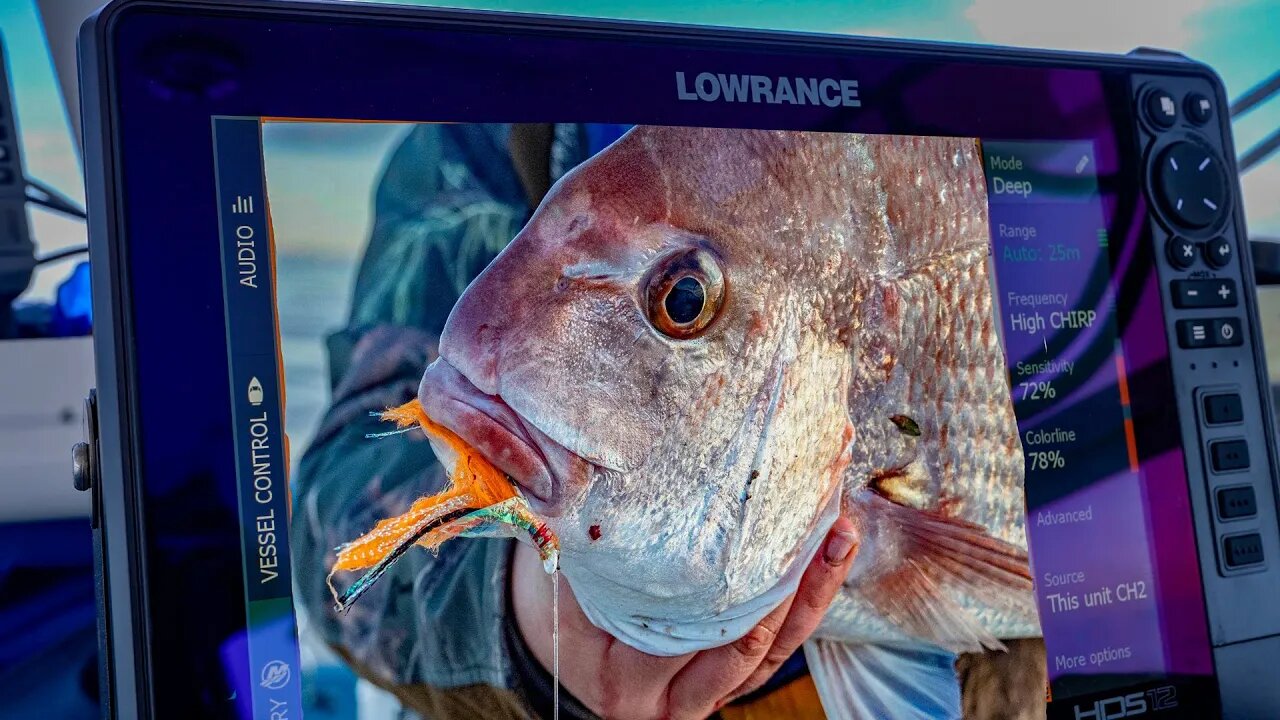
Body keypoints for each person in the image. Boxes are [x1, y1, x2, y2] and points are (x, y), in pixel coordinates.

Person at [290, 123, 1044, 720]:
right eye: (680, 303)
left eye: (683, 304)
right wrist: (527, 620)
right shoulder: (500, 130)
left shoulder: (1014, 115)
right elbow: (336, 509)